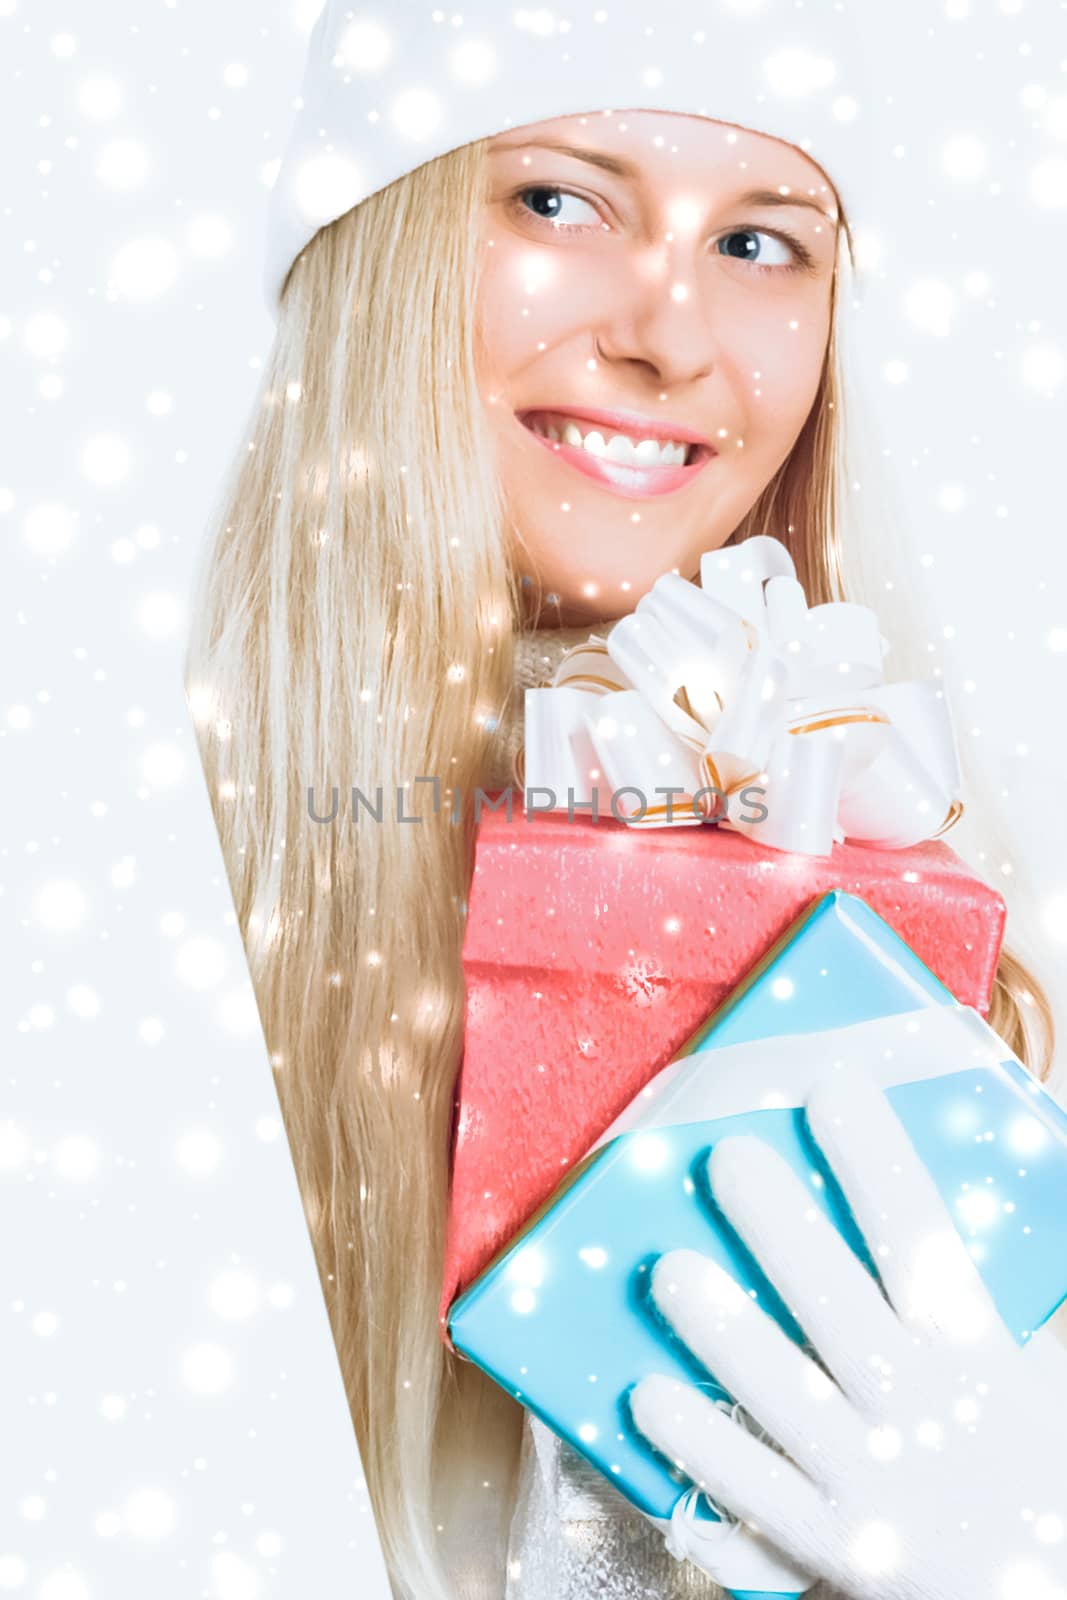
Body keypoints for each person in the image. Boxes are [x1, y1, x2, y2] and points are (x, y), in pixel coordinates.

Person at [183, 5, 1057, 1598]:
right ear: (376, 240)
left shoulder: (990, 962)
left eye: (760, 239)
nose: (673, 335)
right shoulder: (139, 904)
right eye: (558, 200)